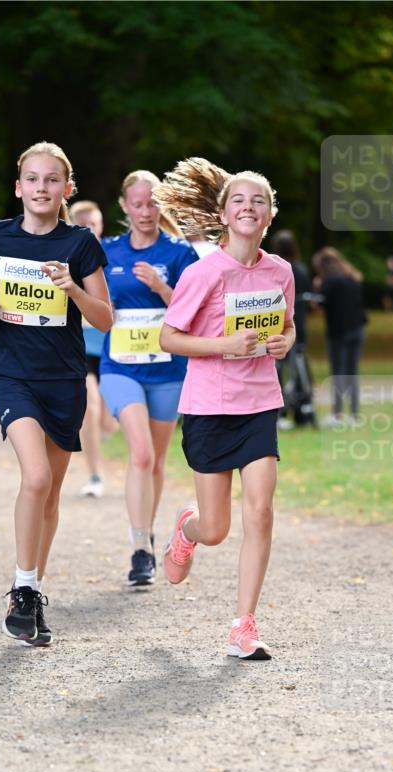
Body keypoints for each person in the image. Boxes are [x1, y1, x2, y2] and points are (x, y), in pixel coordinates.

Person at [0, 141, 112, 646]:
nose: (41, 188)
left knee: (49, 494)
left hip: (64, 379)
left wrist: (73, 289)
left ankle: (31, 592)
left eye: (52, 180)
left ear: (65, 189)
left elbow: (105, 318)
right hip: (12, 375)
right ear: (19, 187)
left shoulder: (81, 243)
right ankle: (23, 588)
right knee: (37, 477)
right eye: (32, 178)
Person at [155, 157, 295, 660]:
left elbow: (288, 325)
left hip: (259, 403)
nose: (249, 206)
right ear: (222, 213)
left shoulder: (280, 271)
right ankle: (186, 530)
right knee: (217, 529)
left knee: (260, 510)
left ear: (270, 214)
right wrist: (224, 347)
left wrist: (284, 342)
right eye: (239, 199)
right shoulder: (204, 272)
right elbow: (169, 337)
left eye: (259, 199)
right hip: (210, 408)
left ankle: (243, 625)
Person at [100, 169, 198, 586]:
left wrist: (161, 287)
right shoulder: (107, 252)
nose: (146, 211)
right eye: (137, 204)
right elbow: (92, 306)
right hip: (119, 367)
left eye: (153, 203)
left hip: (168, 370)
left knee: (156, 460)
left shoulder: (180, 254)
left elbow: (194, 312)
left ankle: (149, 531)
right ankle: (140, 546)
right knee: (139, 453)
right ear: (124, 206)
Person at [69, 199, 116, 498]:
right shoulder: (65, 256)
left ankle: (101, 435)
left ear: (101, 226)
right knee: (90, 406)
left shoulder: (116, 255)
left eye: (93, 224)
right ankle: (95, 475)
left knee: (108, 421)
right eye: (82, 225)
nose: (88, 230)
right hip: (81, 347)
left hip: (115, 348)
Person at [311, 247, 365, 428]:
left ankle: (337, 413)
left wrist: (317, 288)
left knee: (338, 372)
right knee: (352, 372)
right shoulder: (352, 278)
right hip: (357, 329)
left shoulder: (329, 281)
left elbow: (319, 306)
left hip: (338, 332)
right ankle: (355, 415)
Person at [268, 229, 315, 429]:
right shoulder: (302, 270)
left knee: (276, 368)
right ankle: (302, 410)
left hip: (278, 325)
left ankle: (278, 412)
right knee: (299, 368)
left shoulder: (274, 269)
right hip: (298, 326)